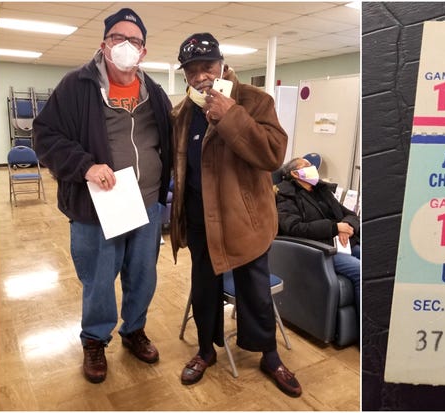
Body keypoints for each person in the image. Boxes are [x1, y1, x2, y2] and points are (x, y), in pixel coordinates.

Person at [33, 8, 172, 384]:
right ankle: (95, 340)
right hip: (99, 205)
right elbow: (44, 136)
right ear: (104, 44)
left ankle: (134, 330)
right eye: (118, 39)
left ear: (144, 51)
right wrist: (84, 166)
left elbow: (166, 142)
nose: (127, 46)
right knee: (98, 279)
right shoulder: (76, 86)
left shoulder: (154, 93)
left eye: (135, 41)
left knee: (142, 277)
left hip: (146, 203)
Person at [169, 33, 301, 397]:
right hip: (198, 219)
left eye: (207, 67)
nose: (200, 77)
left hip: (246, 218)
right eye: (192, 71)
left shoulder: (255, 101)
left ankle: (270, 356)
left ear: (223, 65)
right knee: (204, 288)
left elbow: (273, 155)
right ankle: (205, 351)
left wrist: (231, 116)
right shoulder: (182, 114)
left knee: (255, 290)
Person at [275, 157, 360, 315]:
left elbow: (350, 214)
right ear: (295, 173)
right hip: (320, 248)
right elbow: (294, 227)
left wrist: (347, 227)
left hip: (344, 243)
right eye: (307, 165)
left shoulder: (322, 191)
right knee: (359, 270)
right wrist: (334, 227)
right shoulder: (286, 195)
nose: (313, 167)